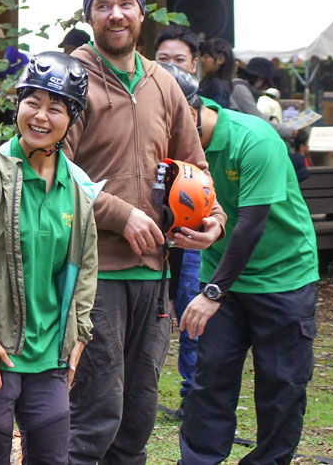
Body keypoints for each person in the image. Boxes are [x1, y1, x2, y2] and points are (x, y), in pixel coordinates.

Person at [64, 0, 225, 465]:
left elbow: (195, 167)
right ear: (89, 13)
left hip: (154, 273)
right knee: (93, 413)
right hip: (92, 274)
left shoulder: (165, 85)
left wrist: (212, 220)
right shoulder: (69, 79)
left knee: (138, 414)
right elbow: (50, 172)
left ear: (140, 14)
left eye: (125, 4)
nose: (115, 14)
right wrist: (120, 214)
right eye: (103, 4)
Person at [0, 52, 99, 464]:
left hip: (49, 352)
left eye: (56, 107)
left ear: (72, 118)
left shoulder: (76, 188)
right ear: (18, 105)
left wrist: (77, 334)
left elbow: (84, 268)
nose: (41, 116)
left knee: (51, 457)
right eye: (32, 102)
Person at [164, 66, 320, 465]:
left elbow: (251, 224)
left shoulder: (253, 139)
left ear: (191, 113)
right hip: (220, 273)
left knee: (282, 387)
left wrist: (212, 292)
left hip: (282, 277)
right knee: (209, 382)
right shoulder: (176, 149)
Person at [153, 25, 204, 404]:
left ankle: (193, 393)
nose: (169, 68)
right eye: (162, 60)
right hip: (148, 234)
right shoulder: (143, 107)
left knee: (189, 304)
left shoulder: (199, 112)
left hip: (191, 233)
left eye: (179, 60)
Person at [231, 57, 295, 139]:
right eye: (265, 84)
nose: (264, 88)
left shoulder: (239, 87)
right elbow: (258, 121)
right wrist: (289, 132)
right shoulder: (239, 89)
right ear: (260, 79)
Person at [196, 37, 233, 108]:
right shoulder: (210, 79)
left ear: (220, 59)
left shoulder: (219, 85)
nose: (202, 59)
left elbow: (219, 112)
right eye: (201, 56)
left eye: (206, 56)